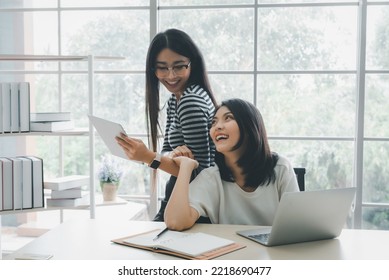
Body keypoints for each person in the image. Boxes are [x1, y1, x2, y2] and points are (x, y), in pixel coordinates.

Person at [116, 29, 217, 222]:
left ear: (192, 64)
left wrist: (147, 156)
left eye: (179, 66)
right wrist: (172, 156)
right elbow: (168, 152)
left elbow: (198, 171)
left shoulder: (190, 101)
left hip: (193, 204)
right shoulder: (176, 99)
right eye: (162, 67)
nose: (170, 76)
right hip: (179, 197)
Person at [164, 98, 300, 231]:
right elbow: (175, 222)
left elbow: (296, 224)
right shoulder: (211, 177)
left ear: (249, 126)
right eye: (213, 122)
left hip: (275, 252)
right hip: (230, 252)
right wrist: (185, 167)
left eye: (228, 118)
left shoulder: (280, 167)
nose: (217, 126)